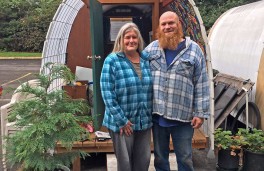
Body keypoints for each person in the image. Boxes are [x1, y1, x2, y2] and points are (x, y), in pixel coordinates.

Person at [144, 11, 210, 171]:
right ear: (159, 27)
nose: (167, 27)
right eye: (164, 24)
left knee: (185, 158)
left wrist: (200, 112)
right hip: (158, 116)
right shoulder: (151, 49)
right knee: (160, 158)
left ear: (179, 24)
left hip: (183, 117)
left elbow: (201, 82)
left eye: (171, 23)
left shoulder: (194, 50)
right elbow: (136, 70)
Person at [100, 23, 153, 171]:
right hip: (123, 123)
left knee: (143, 161)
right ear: (121, 40)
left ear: (139, 40)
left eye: (134, 37)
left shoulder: (146, 59)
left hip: (144, 120)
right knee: (125, 163)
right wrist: (122, 120)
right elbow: (107, 93)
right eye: (127, 37)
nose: (131, 41)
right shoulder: (112, 60)